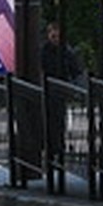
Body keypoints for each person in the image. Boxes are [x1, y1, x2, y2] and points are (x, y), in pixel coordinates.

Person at [40, 22, 86, 168]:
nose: (55, 38)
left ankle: (57, 151)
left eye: (57, 35)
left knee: (58, 122)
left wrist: (74, 86)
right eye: (53, 35)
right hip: (47, 91)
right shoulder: (44, 51)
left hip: (59, 92)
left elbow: (76, 70)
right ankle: (50, 151)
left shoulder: (66, 51)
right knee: (48, 122)